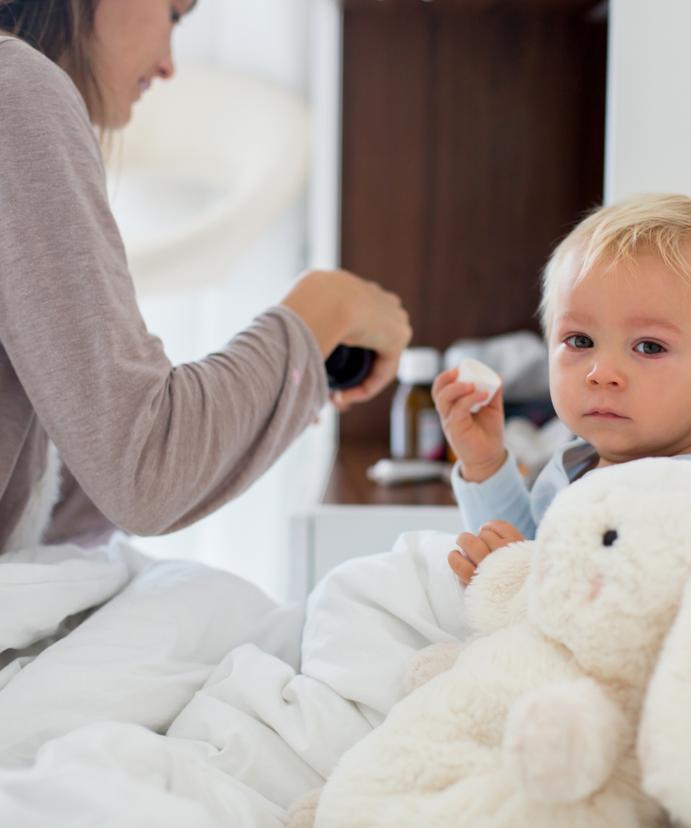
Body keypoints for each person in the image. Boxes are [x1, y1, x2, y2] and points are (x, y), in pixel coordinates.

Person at [0, 0, 411, 554]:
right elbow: (142, 472)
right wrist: (324, 310)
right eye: (173, 13)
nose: (169, 64)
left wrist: (264, 400)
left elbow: (55, 498)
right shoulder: (16, 90)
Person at [433, 193, 691, 584]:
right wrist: (485, 464)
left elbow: (620, 613)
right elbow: (523, 546)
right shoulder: (577, 462)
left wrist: (523, 581)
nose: (601, 373)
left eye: (649, 347)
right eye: (580, 341)